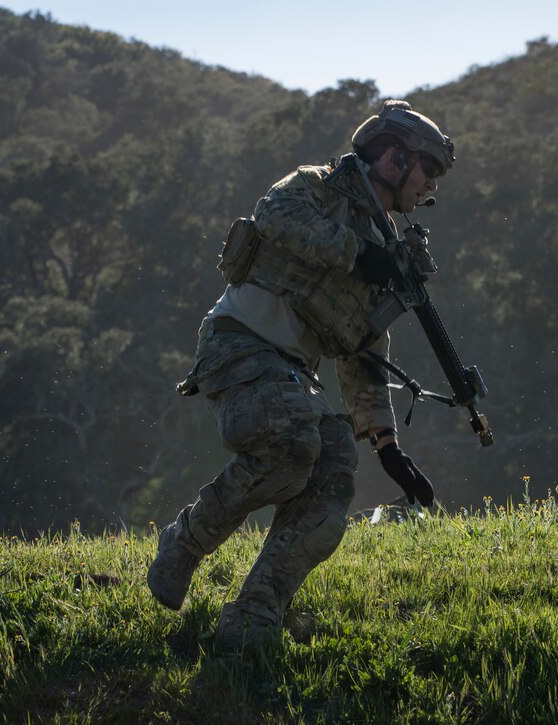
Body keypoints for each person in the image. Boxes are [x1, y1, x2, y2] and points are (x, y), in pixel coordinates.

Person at [147, 100, 455, 651]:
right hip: (238, 344)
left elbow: (363, 348)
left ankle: (256, 613)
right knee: (293, 443)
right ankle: (185, 542)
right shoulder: (318, 185)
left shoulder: (385, 243)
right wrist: (362, 255)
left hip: (291, 375)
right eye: (426, 170)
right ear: (392, 157)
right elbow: (275, 218)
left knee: (335, 466)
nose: (430, 185)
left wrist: (388, 447)